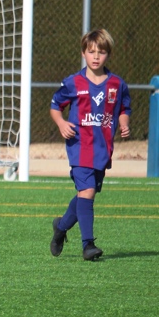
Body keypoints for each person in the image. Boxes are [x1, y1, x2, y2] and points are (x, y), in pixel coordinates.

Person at [49, 28, 130, 261]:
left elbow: (125, 108)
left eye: (101, 52)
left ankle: (61, 227)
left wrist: (124, 123)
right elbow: (56, 106)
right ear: (83, 53)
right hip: (79, 146)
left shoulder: (117, 84)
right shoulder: (73, 82)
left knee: (85, 194)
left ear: (108, 54)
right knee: (88, 192)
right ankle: (88, 245)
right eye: (91, 51)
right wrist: (61, 122)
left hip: (102, 149)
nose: (96, 56)